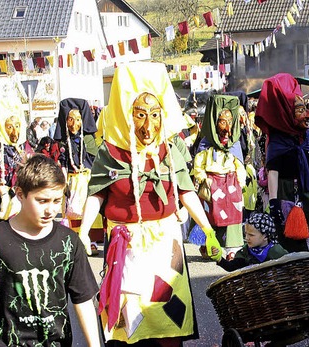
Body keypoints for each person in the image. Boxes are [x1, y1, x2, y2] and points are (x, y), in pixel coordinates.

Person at [78, 62, 222, 345]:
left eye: (155, 115)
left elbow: (186, 190)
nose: (148, 126)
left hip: (166, 246)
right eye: (140, 115)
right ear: (127, 114)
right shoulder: (111, 152)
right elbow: (96, 194)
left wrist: (208, 230)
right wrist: (83, 232)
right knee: (128, 320)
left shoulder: (169, 150)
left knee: (167, 317)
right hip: (126, 245)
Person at [0, 155, 100, 346]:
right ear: (20, 194)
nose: (51, 210)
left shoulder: (69, 241)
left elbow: (83, 299)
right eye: (42, 201)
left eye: (57, 201)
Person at [255, 73, 309, 252]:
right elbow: (273, 170)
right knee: (289, 238)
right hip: (285, 192)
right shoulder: (277, 136)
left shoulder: (305, 131)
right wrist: (273, 202)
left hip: (308, 190)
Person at [192, 95, 246, 259]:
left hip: (230, 182)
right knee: (210, 214)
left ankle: (232, 249)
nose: (227, 126)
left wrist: (240, 181)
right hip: (212, 183)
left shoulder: (234, 143)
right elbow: (198, 164)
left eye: (230, 121)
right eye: (223, 121)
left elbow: (239, 165)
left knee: (233, 212)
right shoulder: (206, 143)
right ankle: (209, 245)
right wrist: (202, 178)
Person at [53, 98, 100, 255]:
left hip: (86, 178)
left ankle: (89, 239)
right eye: (70, 119)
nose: (74, 123)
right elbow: (62, 162)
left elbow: (94, 158)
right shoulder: (62, 142)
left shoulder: (88, 139)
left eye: (78, 119)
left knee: (88, 209)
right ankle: (73, 240)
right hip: (71, 179)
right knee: (71, 211)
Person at [0, 99, 34, 225]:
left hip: (22, 195)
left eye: (17, 126)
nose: (14, 131)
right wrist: (4, 194)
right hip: (1, 196)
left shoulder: (25, 147)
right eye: (9, 127)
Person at [211, 213, 288, 271]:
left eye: (251, 235)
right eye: (246, 234)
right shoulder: (246, 251)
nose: (247, 238)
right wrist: (219, 258)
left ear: (266, 236)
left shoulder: (276, 251)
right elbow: (232, 267)